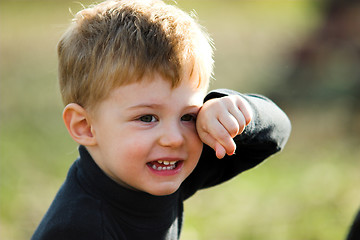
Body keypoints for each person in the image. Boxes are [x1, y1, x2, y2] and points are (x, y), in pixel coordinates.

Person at [31, 0, 291, 239]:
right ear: (85, 126)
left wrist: (230, 109)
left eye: (188, 115)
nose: (174, 138)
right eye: (147, 117)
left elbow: (276, 133)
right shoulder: (77, 229)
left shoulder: (161, 163)